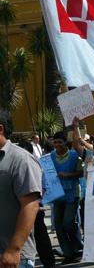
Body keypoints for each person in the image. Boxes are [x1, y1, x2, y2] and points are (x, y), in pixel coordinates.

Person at [0, 110, 42, 268]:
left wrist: (13, 249)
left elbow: (30, 205)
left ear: (0, 129)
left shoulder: (21, 159)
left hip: (12, 257)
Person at [50, 131, 84, 264]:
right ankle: (68, 253)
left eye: (60, 142)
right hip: (57, 194)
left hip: (72, 194)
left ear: (65, 143)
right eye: (55, 142)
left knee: (68, 222)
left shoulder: (74, 155)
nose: (57, 144)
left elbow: (82, 173)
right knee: (58, 225)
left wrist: (68, 175)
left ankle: (78, 247)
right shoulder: (51, 156)